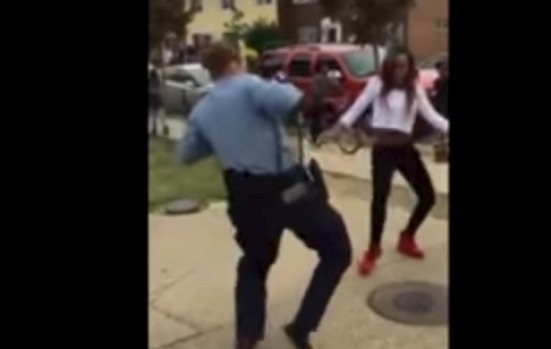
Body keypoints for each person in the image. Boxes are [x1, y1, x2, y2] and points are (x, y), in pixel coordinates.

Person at [177, 42, 351, 349]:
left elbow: (187, 153)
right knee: (337, 250)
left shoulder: (203, 108)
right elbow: (297, 104)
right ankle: (302, 326)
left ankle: (247, 337)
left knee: (255, 263)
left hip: (245, 196)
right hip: (287, 189)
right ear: (235, 61)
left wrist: (225, 138)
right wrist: (320, 92)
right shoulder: (251, 86)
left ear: (211, 71)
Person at [322, 46, 449, 276]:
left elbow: (431, 115)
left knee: (428, 197)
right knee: (379, 201)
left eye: (404, 66)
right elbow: (357, 109)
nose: (399, 71)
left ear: (410, 67)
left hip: (405, 149)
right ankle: (373, 250)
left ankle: (407, 236)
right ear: (389, 66)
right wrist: (338, 128)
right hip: (383, 151)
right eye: (395, 66)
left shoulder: (414, 87)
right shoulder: (377, 84)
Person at [307, 63, 343, 143]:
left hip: (321, 102)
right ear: (321, 70)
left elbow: (336, 86)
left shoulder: (326, 78)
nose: (327, 70)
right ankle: (314, 137)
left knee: (320, 119)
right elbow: (315, 90)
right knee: (316, 120)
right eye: (325, 68)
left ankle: (318, 136)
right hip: (316, 102)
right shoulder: (318, 78)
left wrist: (340, 89)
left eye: (327, 68)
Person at [148, 57, 169, 137]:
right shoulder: (156, 71)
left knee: (153, 111)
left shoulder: (151, 71)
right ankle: (164, 126)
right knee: (160, 110)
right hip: (156, 93)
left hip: (150, 93)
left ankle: (154, 128)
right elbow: (160, 82)